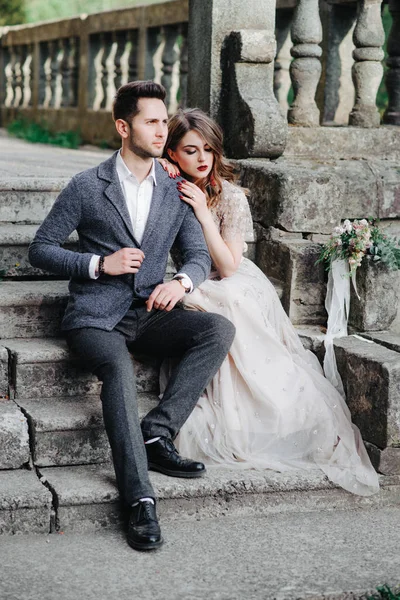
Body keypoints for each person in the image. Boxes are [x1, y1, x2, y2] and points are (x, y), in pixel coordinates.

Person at [28, 82, 236, 552]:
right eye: (151, 121)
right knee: (118, 369)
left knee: (217, 329)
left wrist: (179, 283)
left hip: (147, 313)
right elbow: (42, 248)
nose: (162, 129)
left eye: (165, 120)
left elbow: (199, 256)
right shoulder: (87, 186)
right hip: (95, 319)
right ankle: (140, 499)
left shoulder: (176, 189)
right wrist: (98, 264)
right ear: (124, 127)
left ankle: (157, 433)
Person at [159, 107, 379, 497]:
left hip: (229, 276)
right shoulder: (167, 179)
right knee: (197, 301)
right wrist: (163, 168)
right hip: (192, 278)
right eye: (190, 150)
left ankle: (259, 407)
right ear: (173, 152)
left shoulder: (229, 197)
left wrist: (202, 212)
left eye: (208, 149)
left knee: (226, 300)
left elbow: (226, 266)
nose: (202, 159)